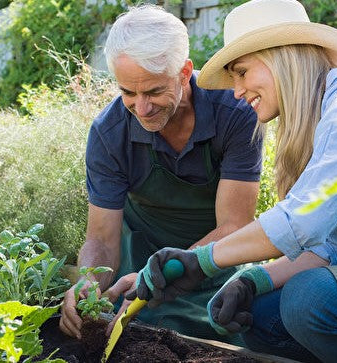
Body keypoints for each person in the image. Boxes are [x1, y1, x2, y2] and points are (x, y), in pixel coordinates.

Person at [128, 0, 337, 362]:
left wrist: (200, 260)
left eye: (242, 72)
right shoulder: (320, 122)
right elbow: (329, 247)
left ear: (282, 58)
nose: (236, 91)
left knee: (308, 298)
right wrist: (253, 281)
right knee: (261, 313)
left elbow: (300, 221)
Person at [58, 4, 263, 343]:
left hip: (215, 259)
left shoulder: (234, 113)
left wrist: (164, 274)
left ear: (184, 72)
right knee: (135, 338)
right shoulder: (110, 134)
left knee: (234, 335)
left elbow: (234, 225)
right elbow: (102, 239)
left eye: (153, 91)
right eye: (127, 92)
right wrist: (88, 283)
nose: (141, 108)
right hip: (137, 262)